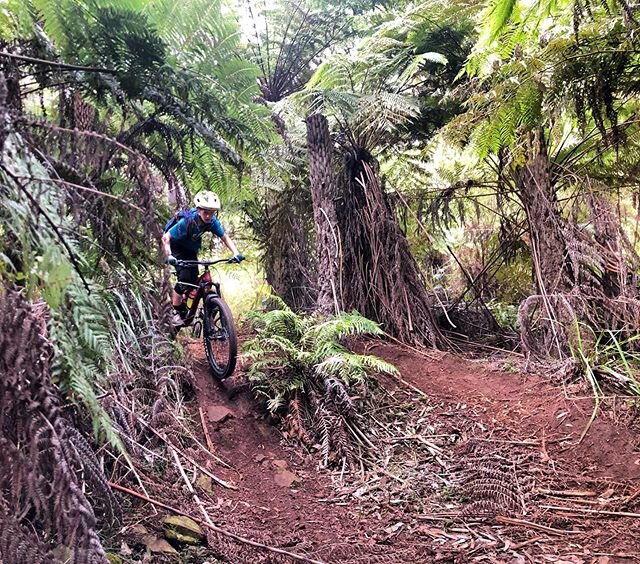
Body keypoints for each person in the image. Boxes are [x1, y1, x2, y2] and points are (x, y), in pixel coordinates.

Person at [162, 191, 244, 326]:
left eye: (211, 213)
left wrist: (236, 253)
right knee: (185, 281)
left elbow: (224, 237)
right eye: (205, 212)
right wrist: (169, 254)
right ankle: (176, 311)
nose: (208, 216)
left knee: (194, 280)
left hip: (190, 249)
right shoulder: (188, 221)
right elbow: (166, 237)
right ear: (199, 210)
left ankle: (198, 304)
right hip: (176, 247)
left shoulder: (212, 222)